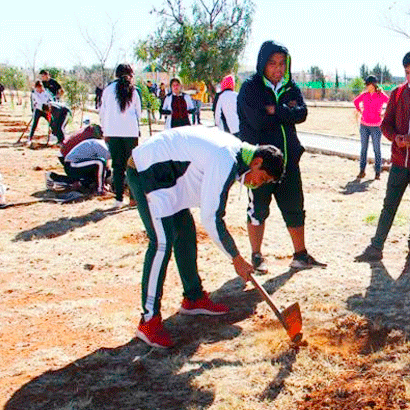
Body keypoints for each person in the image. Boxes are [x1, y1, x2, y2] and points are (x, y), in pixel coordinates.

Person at [127, 125, 284, 348]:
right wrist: (236, 258)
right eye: (262, 178)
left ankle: (193, 298)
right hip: (148, 171)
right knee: (162, 242)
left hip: (170, 176)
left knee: (186, 235)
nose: (258, 184)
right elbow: (211, 217)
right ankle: (148, 320)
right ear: (256, 162)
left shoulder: (235, 155)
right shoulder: (226, 158)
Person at [238, 40, 326, 273]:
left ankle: (300, 255)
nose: (278, 69)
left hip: (289, 163)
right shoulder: (251, 88)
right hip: (261, 166)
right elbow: (258, 121)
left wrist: (276, 109)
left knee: (295, 208)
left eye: (282, 64)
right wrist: (287, 113)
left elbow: (302, 114)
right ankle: (256, 256)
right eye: (273, 63)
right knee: (258, 209)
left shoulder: (291, 87)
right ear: (262, 64)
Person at [354, 51, 410, 263]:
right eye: (407, 72)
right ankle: (376, 246)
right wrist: (396, 138)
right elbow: (385, 124)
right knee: (389, 205)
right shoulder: (398, 93)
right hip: (399, 162)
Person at [99, 63, 142, 208]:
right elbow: (138, 113)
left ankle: (118, 199)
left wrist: (105, 131)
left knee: (117, 167)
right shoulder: (134, 91)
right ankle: (133, 197)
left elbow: (102, 112)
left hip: (113, 132)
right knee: (132, 166)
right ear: (130, 75)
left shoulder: (108, 90)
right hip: (130, 133)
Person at [353, 75, 390, 179]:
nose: (366, 86)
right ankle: (362, 171)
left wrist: (384, 112)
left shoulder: (380, 95)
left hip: (376, 127)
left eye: (368, 84)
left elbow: (391, 103)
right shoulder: (364, 95)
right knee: (363, 149)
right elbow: (355, 101)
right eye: (366, 84)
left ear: (373, 84)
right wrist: (360, 110)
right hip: (364, 126)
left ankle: (377, 173)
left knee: (377, 149)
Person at [46, 138, 110, 195]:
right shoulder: (104, 147)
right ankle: (100, 190)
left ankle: (54, 177)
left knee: (88, 181)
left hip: (76, 165)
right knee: (100, 163)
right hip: (72, 165)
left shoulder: (103, 144)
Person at [28, 80, 54, 147]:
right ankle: (29, 139)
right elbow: (35, 102)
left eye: (40, 87)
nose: (39, 89)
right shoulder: (34, 93)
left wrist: (49, 106)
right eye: (37, 88)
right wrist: (33, 111)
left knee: (52, 123)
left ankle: (52, 138)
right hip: (38, 110)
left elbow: (51, 99)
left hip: (46, 110)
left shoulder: (46, 92)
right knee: (34, 124)